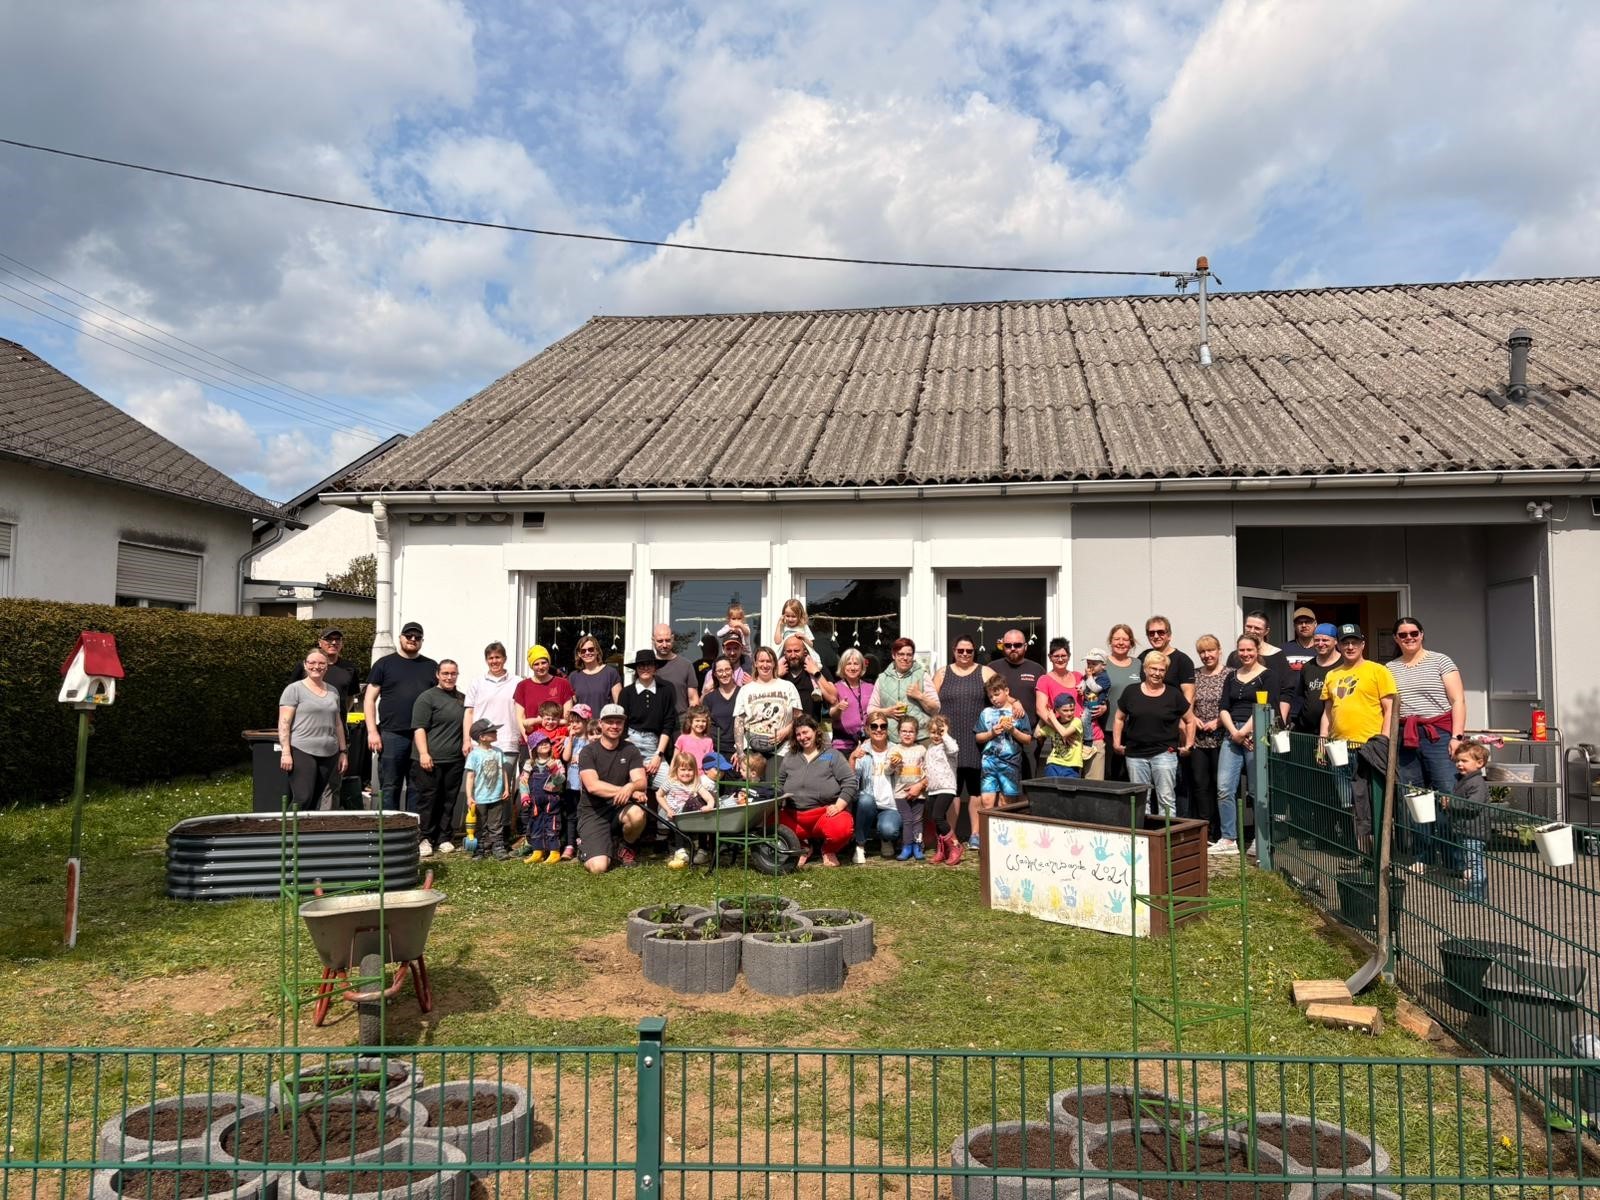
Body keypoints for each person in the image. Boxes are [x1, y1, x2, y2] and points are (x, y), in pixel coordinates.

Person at [1387, 616, 1466, 870]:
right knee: (1415, 797)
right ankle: (1423, 855)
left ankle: (1456, 859)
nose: (1409, 638)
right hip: (1406, 736)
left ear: (1422, 634)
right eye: (1403, 635)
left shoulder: (1441, 660)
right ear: (1396, 639)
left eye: (1413, 633)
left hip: (1439, 733)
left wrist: (1457, 737)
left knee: (1447, 795)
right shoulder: (1389, 668)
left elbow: (1458, 701)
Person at [1317, 624, 1398, 854]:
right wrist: (1322, 743)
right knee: (1348, 802)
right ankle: (1361, 850)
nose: (1350, 646)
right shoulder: (1332, 674)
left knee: (1373, 801)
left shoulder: (1377, 671)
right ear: (1339, 646)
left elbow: (1389, 708)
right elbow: (1328, 712)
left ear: (1363, 644)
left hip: (1369, 748)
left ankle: (1381, 852)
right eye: (1345, 642)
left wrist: (1384, 739)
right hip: (1339, 747)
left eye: (1354, 642)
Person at [1213, 634, 1280, 855]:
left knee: (1256, 790)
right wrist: (1234, 732)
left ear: (1257, 650)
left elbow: (1267, 705)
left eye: (1249, 650)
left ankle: (1261, 840)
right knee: (1224, 788)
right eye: (1241, 650)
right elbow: (1223, 707)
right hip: (1232, 734)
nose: (1245, 654)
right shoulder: (1231, 677)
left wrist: (1244, 731)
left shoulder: (1268, 676)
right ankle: (1228, 838)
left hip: (1256, 733)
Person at [364, 621, 439, 812]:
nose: (413, 640)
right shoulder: (384, 664)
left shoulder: (431, 666)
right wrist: (372, 731)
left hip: (421, 736)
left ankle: (412, 832)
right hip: (391, 734)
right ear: (401, 638)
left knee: (417, 787)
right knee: (390, 786)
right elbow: (369, 699)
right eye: (409, 636)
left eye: (417, 637)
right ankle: (389, 833)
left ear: (422, 640)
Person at [932, 635, 997, 845]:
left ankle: (975, 834)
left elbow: (1000, 692)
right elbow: (932, 704)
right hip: (949, 739)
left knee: (976, 789)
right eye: (961, 650)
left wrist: (1015, 704)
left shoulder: (984, 672)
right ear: (954, 650)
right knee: (952, 789)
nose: (965, 654)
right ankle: (950, 835)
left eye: (969, 651)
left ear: (974, 652)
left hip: (976, 738)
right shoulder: (943, 673)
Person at [1113, 651, 1192, 818]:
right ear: (1145, 669)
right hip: (1135, 755)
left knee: (1166, 799)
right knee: (1141, 801)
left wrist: (1188, 745)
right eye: (1153, 669)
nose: (1157, 673)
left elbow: (1190, 720)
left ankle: (1166, 841)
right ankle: (1145, 840)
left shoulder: (1174, 694)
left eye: (1161, 670)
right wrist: (1116, 743)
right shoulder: (1131, 691)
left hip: (1165, 754)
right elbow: (1119, 717)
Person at [292, 627, 362, 806]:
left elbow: (349, 699)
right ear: (320, 642)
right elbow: (291, 699)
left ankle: (325, 825)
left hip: (336, 733)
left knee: (332, 785)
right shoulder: (305, 666)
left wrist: (335, 714)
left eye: (338, 640)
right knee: (306, 789)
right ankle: (295, 828)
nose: (333, 643)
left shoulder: (349, 668)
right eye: (329, 639)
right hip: (306, 735)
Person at [577, 702, 650, 872]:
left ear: (624, 724)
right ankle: (587, 847)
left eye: (619, 722)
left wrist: (631, 787)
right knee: (598, 868)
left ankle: (624, 846)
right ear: (601, 723)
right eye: (610, 722)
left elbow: (641, 782)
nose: (614, 726)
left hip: (620, 808)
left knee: (638, 813)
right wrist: (626, 790)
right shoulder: (588, 752)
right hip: (593, 812)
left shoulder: (631, 750)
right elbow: (593, 786)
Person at [777, 715, 858, 868]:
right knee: (767, 820)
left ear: (815, 731)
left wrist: (839, 806)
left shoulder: (832, 755)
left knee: (842, 828)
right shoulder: (789, 757)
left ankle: (828, 849)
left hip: (823, 814)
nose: (802, 737)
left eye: (806, 732)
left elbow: (850, 781)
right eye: (798, 734)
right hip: (793, 815)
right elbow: (779, 784)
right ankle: (801, 847)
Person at [277, 649, 348, 812]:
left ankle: (305, 835)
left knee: (316, 798)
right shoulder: (294, 690)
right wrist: (286, 752)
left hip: (329, 752)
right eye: (312, 663)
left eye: (321, 663)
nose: (317, 666)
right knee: (303, 796)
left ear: (327, 666)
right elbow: (284, 723)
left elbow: (337, 723)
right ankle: (286, 831)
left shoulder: (333, 692)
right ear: (305, 665)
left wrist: (343, 752)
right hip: (302, 749)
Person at [463, 642, 523, 825]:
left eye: (498, 657)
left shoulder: (517, 682)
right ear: (486, 660)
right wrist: (466, 739)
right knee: (482, 786)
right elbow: (469, 712)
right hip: (481, 745)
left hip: (508, 742)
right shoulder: (477, 682)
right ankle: (480, 829)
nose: (494, 661)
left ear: (504, 659)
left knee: (504, 788)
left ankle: (502, 831)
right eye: (491, 658)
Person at [411, 659, 466, 857]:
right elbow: (419, 728)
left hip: (454, 759)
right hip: (429, 759)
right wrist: (424, 753)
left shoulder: (462, 699)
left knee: (448, 800)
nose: (449, 677)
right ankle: (424, 838)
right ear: (438, 675)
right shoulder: (427, 698)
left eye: (453, 673)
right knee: (428, 800)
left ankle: (444, 837)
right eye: (445, 673)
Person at [975, 675, 1032, 833]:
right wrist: (992, 733)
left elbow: (1028, 739)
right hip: (989, 762)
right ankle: (985, 837)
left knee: (1005, 802)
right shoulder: (986, 713)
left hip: (1010, 764)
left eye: (997, 694)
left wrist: (1012, 730)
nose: (993, 699)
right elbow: (978, 737)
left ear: (1006, 691)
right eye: (990, 696)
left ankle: (1002, 835)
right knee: (986, 800)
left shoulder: (1017, 712)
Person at [1188, 636, 1231, 837]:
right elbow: (1187, 703)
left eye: (1210, 650)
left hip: (1222, 738)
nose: (1207, 656)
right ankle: (1206, 830)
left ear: (1219, 650)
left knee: (1220, 785)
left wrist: (1218, 722)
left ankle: (1223, 831)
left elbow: (1233, 704)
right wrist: (1193, 719)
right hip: (1198, 738)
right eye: (1202, 652)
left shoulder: (1230, 675)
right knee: (1200, 784)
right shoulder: (1194, 675)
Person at [619, 649, 677, 792]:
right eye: (641, 665)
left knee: (670, 789)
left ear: (655, 667)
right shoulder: (626, 693)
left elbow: (668, 724)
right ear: (636, 669)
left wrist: (658, 755)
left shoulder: (666, 691)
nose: (645, 668)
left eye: (649, 664)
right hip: (631, 744)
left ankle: (662, 816)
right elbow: (621, 725)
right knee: (633, 789)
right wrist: (634, 756)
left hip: (655, 747)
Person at [732, 647, 802, 765]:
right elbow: (739, 721)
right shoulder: (746, 690)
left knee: (776, 783)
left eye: (769, 661)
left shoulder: (788, 687)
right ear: (755, 663)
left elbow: (798, 717)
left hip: (781, 750)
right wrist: (740, 752)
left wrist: (786, 731)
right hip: (751, 749)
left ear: (774, 663)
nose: (765, 665)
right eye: (761, 661)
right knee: (754, 783)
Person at [852, 713, 901, 862]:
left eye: (883, 726)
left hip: (890, 805)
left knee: (889, 830)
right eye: (874, 726)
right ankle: (860, 845)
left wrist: (899, 765)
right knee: (865, 800)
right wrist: (853, 758)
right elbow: (853, 782)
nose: (878, 730)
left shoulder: (897, 749)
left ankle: (885, 839)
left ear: (887, 729)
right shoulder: (862, 751)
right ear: (867, 729)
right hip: (869, 803)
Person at [870, 637, 939, 740]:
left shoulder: (922, 676)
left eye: (909, 655)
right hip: (891, 739)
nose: (905, 658)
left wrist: (920, 696)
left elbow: (936, 708)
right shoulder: (882, 678)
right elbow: (871, 709)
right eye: (901, 654)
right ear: (894, 655)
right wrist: (887, 711)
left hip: (919, 737)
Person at [1448, 742, 1491, 904]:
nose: (1459, 764)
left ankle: (1477, 893)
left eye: (1464, 761)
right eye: (1458, 761)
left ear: (1479, 763)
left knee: (1475, 863)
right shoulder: (1465, 780)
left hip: (1474, 831)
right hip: (1466, 830)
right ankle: (1478, 889)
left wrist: (1451, 803)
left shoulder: (1476, 783)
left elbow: (1473, 805)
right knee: (1473, 862)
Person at [464, 717, 511, 859]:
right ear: (482, 737)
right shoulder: (474, 755)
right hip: (480, 798)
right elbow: (470, 777)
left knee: (496, 823)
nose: (496, 733)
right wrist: (469, 796)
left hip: (496, 796)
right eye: (492, 731)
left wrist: (506, 789)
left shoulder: (498, 752)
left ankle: (498, 847)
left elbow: (503, 771)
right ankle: (480, 849)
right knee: (480, 824)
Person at [660, 750, 714, 869]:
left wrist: (709, 806)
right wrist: (667, 809)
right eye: (683, 770)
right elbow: (659, 795)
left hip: (691, 815)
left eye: (690, 770)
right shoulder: (671, 782)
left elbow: (709, 797)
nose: (686, 773)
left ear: (695, 771)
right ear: (676, 770)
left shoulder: (695, 784)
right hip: (676, 815)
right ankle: (680, 852)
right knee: (679, 826)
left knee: (697, 806)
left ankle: (702, 850)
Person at [1102, 625, 1143, 781]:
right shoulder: (1102, 664)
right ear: (1110, 641)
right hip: (1106, 729)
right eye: (1117, 639)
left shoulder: (1138, 664)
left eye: (1125, 639)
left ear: (1131, 643)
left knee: (1129, 777)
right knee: (1110, 776)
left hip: (1132, 731)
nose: (1121, 643)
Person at [517, 732, 564, 864]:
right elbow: (523, 781)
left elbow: (561, 780)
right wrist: (525, 795)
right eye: (539, 743)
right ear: (533, 748)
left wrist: (554, 770)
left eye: (546, 742)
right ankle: (538, 851)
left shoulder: (556, 762)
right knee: (535, 824)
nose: (544, 745)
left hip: (551, 801)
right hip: (535, 801)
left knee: (552, 824)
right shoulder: (530, 764)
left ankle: (554, 852)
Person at [923, 715, 963, 865]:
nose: (936, 736)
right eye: (933, 732)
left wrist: (945, 734)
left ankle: (955, 846)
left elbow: (954, 749)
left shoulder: (948, 745)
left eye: (939, 732)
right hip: (933, 789)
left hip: (947, 787)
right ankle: (943, 850)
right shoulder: (930, 747)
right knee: (935, 819)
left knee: (938, 816)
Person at [889, 714, 929, 860]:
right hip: (901, 793)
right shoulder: (894, 750)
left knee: (918, 820)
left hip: (919, 793)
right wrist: (893, 764)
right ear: (899, 732)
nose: (907, 734)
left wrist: (921, 786)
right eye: (904, 731)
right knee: (907, 820)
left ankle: (918, 846)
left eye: (911, 731)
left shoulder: (921, 750)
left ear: (916, 734)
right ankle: (906, 846)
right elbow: (888, 771)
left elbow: (928, 771)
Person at [777, 633, 838, 725]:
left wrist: (816, 673)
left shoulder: (817, 667)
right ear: (784, 653)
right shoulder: (779, 670)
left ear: (805, 651)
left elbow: (833, 698)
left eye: (796, 651)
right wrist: (777, 676)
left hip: (813, 730)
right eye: (789, 651)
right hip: (785, 730)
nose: (793, 655)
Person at [558, 706, 594, 861]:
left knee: (585, 814)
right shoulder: (569, 739)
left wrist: (582, 759)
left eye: (578, 722)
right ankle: (570, 844)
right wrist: (570, 740)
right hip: (571, 785)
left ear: (587, 721)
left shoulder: (591, 740)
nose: (574, 725)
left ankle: (585, 842)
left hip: (585, 786)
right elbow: (566, 758)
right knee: (571, 815)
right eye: (571, 722)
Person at [514, 645, 574, 736]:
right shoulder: (522, 686)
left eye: (543, 662)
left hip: (557, 741)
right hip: (531, 740)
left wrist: (563, 740)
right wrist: (530, 741)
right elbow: (520, 718)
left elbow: (568, 717)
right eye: (536, 664)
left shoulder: (563, 684)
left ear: (549, 663)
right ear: (531, 666)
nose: (540, 667)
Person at [1292, 625, 1341, 735]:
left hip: (1334, 731)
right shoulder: (1308, 666)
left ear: (1336, 641)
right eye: (1317, 640)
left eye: (1325, 640)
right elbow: (1302, 696)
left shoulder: (1344, 665)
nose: (1320, 644)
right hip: (1306, 730)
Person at [829, 647, 876, 756]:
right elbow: (832, 714)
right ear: (843, 666)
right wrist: (838, 708)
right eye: (849, 663)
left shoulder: (870, 687)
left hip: (867, 743)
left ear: (862, 667)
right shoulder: (836, 687)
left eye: (856, 664)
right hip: (842, 745)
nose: (853, 667)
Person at [1035, 638, 1081, 744]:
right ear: (1050, 657)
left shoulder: (1078, 677)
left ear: (1069, 656)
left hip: (1083, 732)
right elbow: (1041, 710)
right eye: (1056, 656)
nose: (1060, 659)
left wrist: (1102, 706)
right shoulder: (1045, 680)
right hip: (1062, 737)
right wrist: (1061, 730)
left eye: (1063, 656)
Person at [651, 624, 701, 721]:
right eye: (660, 641)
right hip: (654, 721)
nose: (664, 645)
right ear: (653, 640)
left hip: (680, 721)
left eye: (668, 640)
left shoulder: (686, 665)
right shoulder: (647, 667)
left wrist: (692, 723)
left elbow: (693, 699)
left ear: (673, 639)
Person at [1078, 649, 1111, 780]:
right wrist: (1080, 687)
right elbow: (1084, 684)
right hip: (1088, 703)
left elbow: (1095, 688)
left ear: (1103, 665)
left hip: (1095, 705)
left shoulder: (1104, 678)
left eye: (1094, 664)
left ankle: (1088, 742)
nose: (1090, 667)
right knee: (1084, 719)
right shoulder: (1089, 676)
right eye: (1088, 663)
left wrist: (1089, 677)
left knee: (1085, 718)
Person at [569, 634, 622, 715]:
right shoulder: (574, 676)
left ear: (597, 650)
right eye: (583, 651)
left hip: (604, 725)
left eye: (591, 649)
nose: (587, 653)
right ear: (579, 654)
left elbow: (618, 704)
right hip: (582, 725)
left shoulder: (610, 673)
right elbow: (571, 706)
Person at [702, 657, 744, 758]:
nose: (724, 674)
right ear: (715, 674)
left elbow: (750, 724)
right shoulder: (709, 698)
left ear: (732, 671)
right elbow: (705, 727)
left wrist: (741, 750)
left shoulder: (743, 693)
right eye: (720, 671)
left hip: (739, 752)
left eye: (727, 669)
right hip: (716, 752)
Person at [1039, 693, 1084, 778]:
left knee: (1068, 789)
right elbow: (1036, 733)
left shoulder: (1076, 721)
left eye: (1072, 709)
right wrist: (1043, 717)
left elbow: (1064, 733)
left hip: (1071, 765)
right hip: (1053, 763)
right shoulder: (1053, 725)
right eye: (1065, 710)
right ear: (1057, 710)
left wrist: (1053, 719)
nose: (1069, 713)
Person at [676, 705, 715, 770]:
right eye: (697, 720)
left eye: (703, 721)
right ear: (690, 722)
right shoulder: (682, 739)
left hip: (702, 776)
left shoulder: (708, 741)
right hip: (686, 775)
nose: (700, 724)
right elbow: (675, 759)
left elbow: (710, 762)